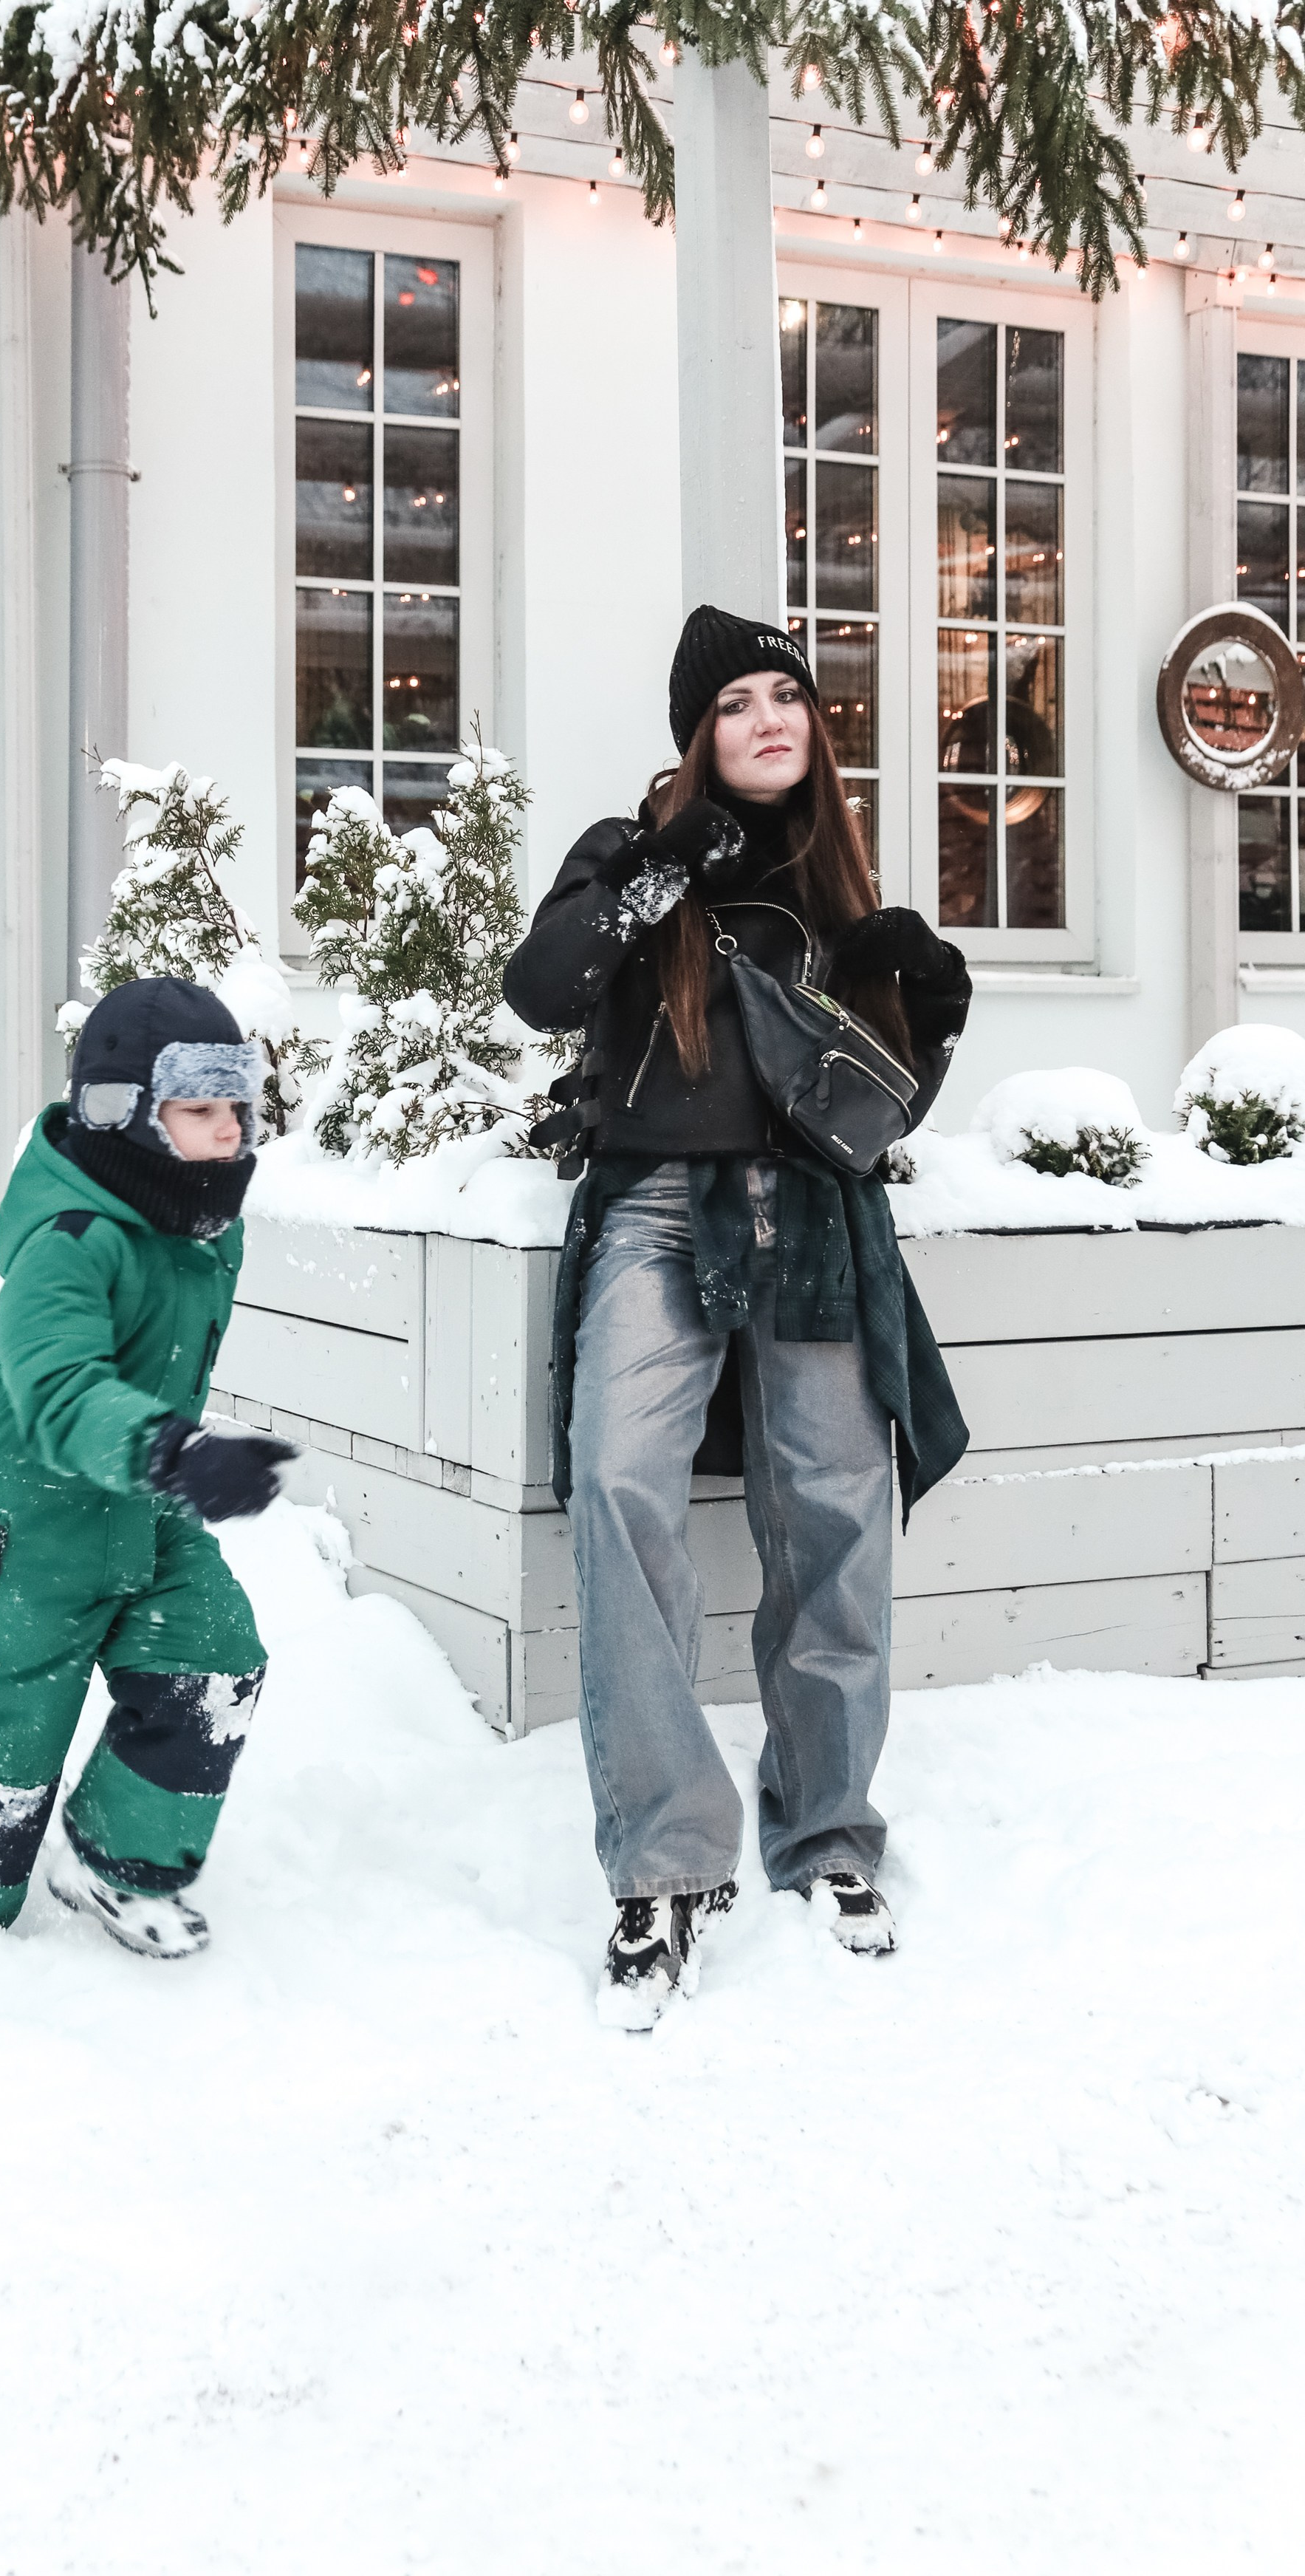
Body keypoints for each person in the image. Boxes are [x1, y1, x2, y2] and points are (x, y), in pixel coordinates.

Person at [504, 607, 973, 2030]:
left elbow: (879, 1109)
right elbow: (540, 990)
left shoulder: (842, 881)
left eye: (789, 697)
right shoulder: (630, 851)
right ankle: (666, 1858)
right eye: (737, 704)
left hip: (817, 1217)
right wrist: (656, 880)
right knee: (619, 1480)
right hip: (660, 1202)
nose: (771, 719)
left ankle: (827, 1829)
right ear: (695, 734)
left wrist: (933, 1003)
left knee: (834, 1513)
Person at [0, 978, 295, 2002]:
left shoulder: (189, 1226)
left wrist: (173, 1464)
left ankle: (116, 1864)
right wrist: (179, 1455)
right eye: (201, 1111)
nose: (229, 1132)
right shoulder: (70, 1242)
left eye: (236, 1108)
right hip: (35, 1530)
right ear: (126, 1115)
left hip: (145, 1508)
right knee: (5, 1744)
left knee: (214, 1665)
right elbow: (60, 1391)